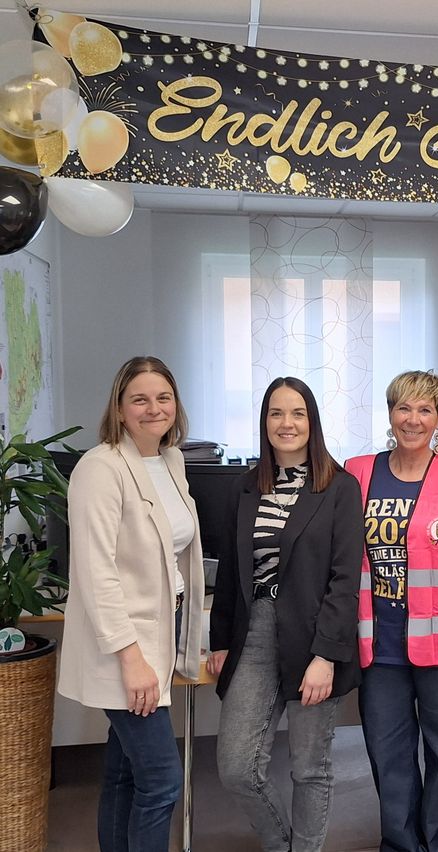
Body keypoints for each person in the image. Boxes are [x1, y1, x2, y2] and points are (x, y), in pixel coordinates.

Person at [207, 376, 363, 852]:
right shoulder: (244, 488)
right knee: (236, 766)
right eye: (276, 413)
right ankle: (283, 844)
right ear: (264, 422)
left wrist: (325, 655)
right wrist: (220, 641)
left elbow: (344, 580)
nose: (287, 423)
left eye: (297, 413)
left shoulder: (339, 488)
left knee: (309, 767)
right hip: (253, 631)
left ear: (312, 422)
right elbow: (233, 571)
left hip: (314, 635)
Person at [58, 356, 205, 852]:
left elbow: (174, 553)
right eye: (139, 399)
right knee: (163, 779)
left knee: (126, 775)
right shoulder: (100, 468)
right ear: (119, 409)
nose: (153, 408)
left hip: (161, 632)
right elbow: (96, 573)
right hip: (126, 646)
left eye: (163, 397)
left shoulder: (171, 460)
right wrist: (131, 656)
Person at [345, 370, 438, 852]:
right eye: (403, 408)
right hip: (379, 648)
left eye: (425, 410)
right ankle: (402, 846)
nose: (413, 419)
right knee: (389, 759)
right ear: (390, 414)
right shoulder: (358, 472)